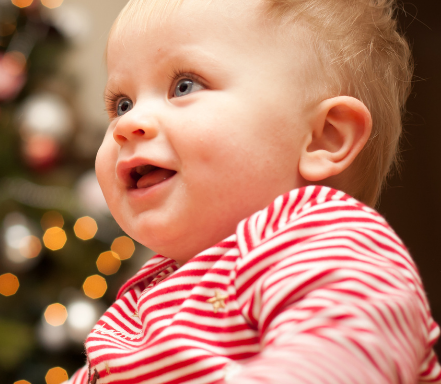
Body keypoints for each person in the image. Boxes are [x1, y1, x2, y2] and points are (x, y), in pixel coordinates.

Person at [67, 0, 440, 382]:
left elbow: (342, 358)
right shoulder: (143, 298)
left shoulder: (327, 243)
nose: (129, 124)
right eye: (122, 104)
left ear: (323, 138)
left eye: (184, 86)